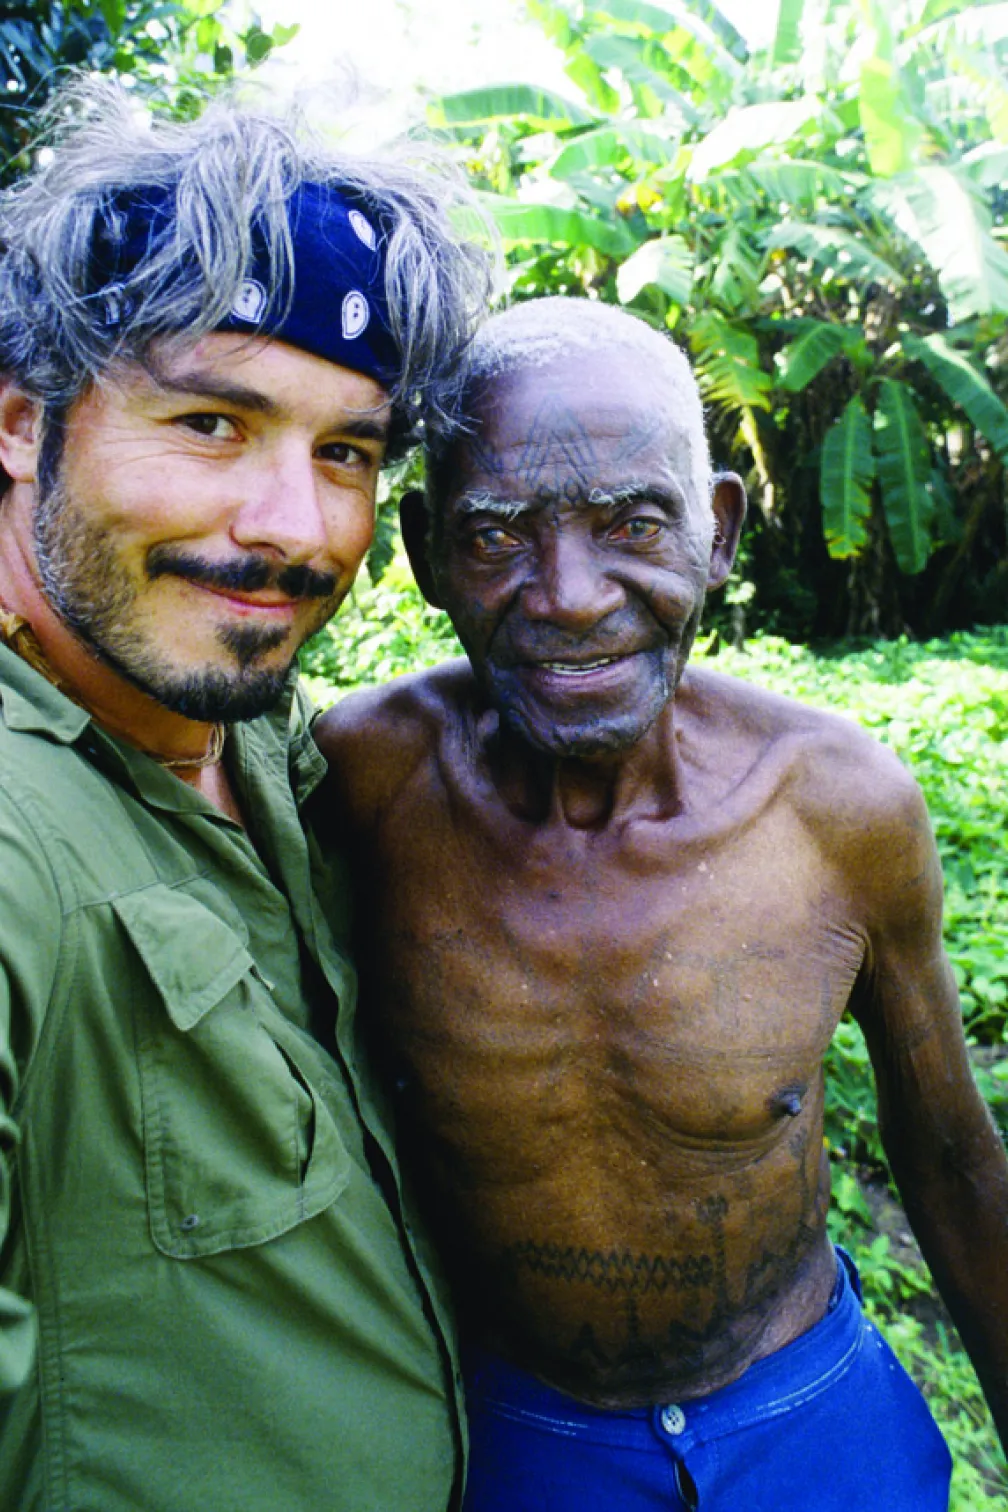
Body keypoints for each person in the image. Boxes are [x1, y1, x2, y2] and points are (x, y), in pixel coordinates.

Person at [313, 297, 1008, 1511]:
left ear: (719, 532)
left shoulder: (840, 809)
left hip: (805, 1412)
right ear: (422, 552)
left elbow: (949, 1158)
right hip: (510, 1429)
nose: (572, 596)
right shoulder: (358, 787)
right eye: (495, 537)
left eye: (635, 524)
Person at [0, 79, 489, 1511]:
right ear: (23, 422)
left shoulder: (262, 741)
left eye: (348, 452)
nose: (297, 527)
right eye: (213, 422)